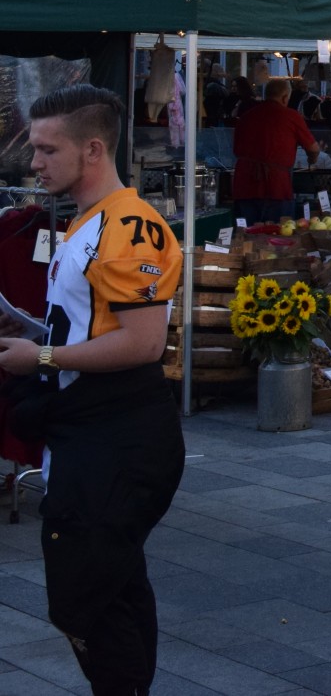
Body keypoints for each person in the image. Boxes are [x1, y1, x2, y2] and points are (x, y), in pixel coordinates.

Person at [0, 86, 182, 695]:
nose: (34, 163)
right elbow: (94, 325)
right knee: (113, 587)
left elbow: (143, 343)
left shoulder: (130, 226)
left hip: (116, 436)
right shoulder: (89, 220)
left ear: (94, 149)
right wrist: (28, 328)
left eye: (48, 150)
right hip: (85, 429)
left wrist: (41, 354)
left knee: (87, 599)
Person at [232, 78, 321, 222]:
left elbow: (236, 150)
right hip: (276, 187)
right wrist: (312, 160)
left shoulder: (245, 117)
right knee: (278, 236)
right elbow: (314, 148)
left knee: (246, 237)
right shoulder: (291, 116)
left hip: (244, 186)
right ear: (285, 97)